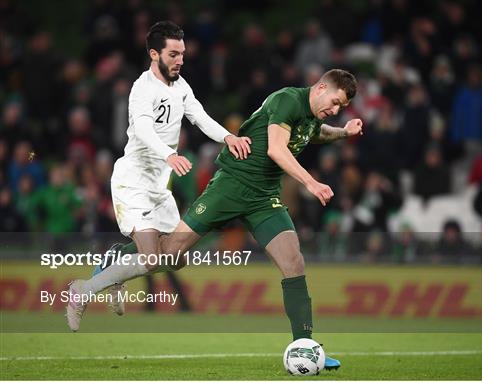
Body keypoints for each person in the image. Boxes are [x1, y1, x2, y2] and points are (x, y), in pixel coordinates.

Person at [68, 68, 362, 370]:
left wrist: (343, 132)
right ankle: (118, 255)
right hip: (231, 185)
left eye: (342, 108)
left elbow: (315, 134)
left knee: (293, 262)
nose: (336, 110)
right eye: (336, 102)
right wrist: (311, 183)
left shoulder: (313, 119)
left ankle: (306, 346)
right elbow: (276, 149)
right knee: (169, 254)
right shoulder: (288, 99)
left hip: (263, 199)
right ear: (322, 87)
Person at [66, 21, 250, 325]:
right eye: (173, 54)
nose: (180, 60)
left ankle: (118, 261)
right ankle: (82, 291)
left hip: (158, 186)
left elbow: (200, 116)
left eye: (183, 54)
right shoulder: (142, 88)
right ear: (154, 54)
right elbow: (143, 128)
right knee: (152, 259)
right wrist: (169, 154)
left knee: (177, 260)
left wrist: (228, 137)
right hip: (133, 182)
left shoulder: (181, 86)